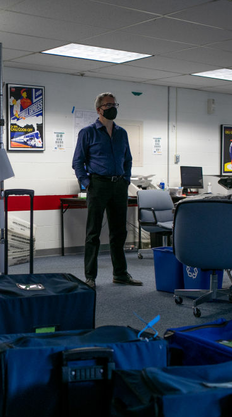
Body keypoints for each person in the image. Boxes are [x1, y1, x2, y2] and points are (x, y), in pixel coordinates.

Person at [71, 92, 142, 289]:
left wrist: (126, 179)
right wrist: (87, 183)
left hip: (119, 185)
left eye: (114, 104)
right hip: (98, 184)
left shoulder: (122, 133)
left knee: (119, 232)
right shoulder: (88, 132)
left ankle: (120, 274)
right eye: (108, 104)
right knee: (93, 232)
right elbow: (78, 162)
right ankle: (90, 277)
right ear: (99, 109)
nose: (112, 107)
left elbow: (127, 159)